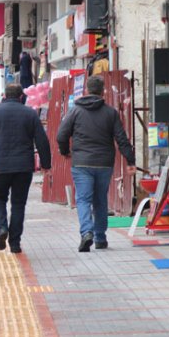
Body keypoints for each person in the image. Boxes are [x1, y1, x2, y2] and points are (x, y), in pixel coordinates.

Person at [57, 75, 136, 252]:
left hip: (82, 163)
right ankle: (100, 238)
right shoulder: (110, 112)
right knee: (100, 200)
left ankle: (86, 233)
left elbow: (61, 135)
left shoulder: (75, 111)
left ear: (86, 90)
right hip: (103, 164)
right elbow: (122, 138)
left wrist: (65, 152)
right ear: (103, 91)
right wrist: (130, 160)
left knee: (83, 199)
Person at [0, 84, 51, 253]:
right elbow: (42, 141)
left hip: (0, 166)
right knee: (18, 203)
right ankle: (15, 243)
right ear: (20, 97)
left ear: (4, 96)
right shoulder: (30, 114)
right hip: (23, 167)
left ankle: (2, 228)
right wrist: (46, 164)